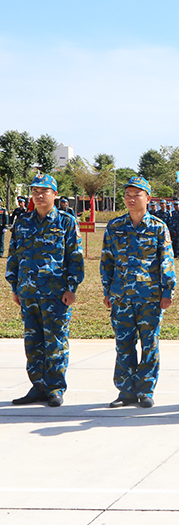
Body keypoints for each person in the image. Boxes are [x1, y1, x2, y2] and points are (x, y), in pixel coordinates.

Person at [6, 174, 84, 407]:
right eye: (35, 191)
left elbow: (75, 258)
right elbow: (14, 255)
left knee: (55, 342)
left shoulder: (66, 222)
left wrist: (71, 288)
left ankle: (55, 387)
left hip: (55, 294)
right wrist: (14, 286)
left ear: (54, 194)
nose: (39, 195)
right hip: (28, 292)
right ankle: (38, 386)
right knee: (33, 342)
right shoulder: (22, 222)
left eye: (44, 191)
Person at [101, 176, 177, 408]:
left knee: (149, 343)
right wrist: (107, 290)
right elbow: (107, 261)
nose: (131, 199)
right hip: (121, 295)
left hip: (149, 296)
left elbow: (167, 261)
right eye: (128, 195)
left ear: (148, 198)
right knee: (123, 343)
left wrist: (168, 291)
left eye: (137, 194)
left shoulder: (157, 227)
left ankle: (145, 390)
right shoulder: (115, 227)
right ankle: (125, 392)